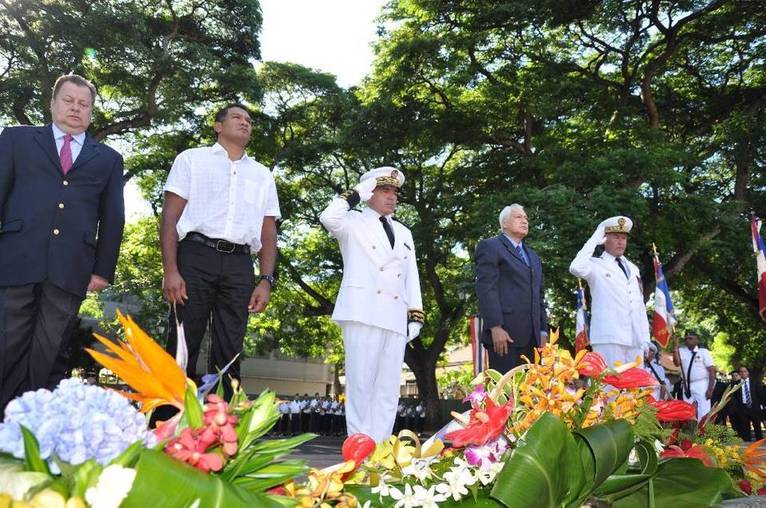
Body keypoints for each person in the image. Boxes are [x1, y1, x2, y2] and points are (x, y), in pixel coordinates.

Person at [0, 74, 125, 411]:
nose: (76, 108)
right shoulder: (15, 140)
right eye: (69, 100)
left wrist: (103, 270)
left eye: (84, 104)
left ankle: (34, 427)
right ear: (53, 103)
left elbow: (113, 217)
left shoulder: (108, 159)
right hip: (14, 260)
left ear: (91, 112)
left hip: (71, 268)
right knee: (7, 344)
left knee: (50, 349)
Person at [160, 103, 279, 396]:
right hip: (195, 256)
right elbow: (170, 218)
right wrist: (171, 270)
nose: (245, 123)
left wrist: (266, 279)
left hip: (240, 264)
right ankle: (166, 429)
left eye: (249, 120)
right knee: (182, 344)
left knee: (230, 350)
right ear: (217, 125)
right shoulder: (191, 159)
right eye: (237, 117)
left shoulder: (262, 174)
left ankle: (221, 430)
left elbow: (268, 231)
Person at [319, 167, 424, 443]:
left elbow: (411, 274)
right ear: (369, 193)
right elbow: (327, 216)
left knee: (388, 390)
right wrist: (357, 193)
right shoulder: (352, 222)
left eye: (395, 192)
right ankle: (359, 449)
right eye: (384, 191)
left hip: (394, 314)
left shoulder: (403, 231)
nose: (392, 197)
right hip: (362, 312)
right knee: (361, 386)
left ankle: (380, 452)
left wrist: (415, 314)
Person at [474, 204, 548, 373]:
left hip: (534, 340)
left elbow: (539, 296)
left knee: (530, 396)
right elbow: (486, 288)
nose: (524, 221)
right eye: (518, 217)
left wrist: (543, 331)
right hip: (505, 337)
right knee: (506, 395)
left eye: (526, 218)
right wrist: (495, 327)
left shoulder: (534, 257)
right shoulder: (491, 247)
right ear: (504, 223)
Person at [569, 216, 650, 368]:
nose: (621, 242)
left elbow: (639, 306)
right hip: (609, 337)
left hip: (635, 339)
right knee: (609, 389)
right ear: (604, 239)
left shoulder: (633, 268)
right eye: (616, 237)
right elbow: (575, 267)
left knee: (635, 390)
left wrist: (645, 338)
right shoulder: (595, 264)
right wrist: (594, 239)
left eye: (624, 238)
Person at [672, 331, 716, 421]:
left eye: (691, 338)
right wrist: (675, 347)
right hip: (687, 385)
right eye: (686, 339)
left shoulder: (703, 352)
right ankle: (691, 432)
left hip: (701, 384)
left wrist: (710, 389)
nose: (688, 340)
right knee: (688, 410)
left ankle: (703, 432)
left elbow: (712, 371)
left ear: (697, 340)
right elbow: (676, 363)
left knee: (703, 410)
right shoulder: (681, 351)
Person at [732, 366, 764, 441]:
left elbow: (761, 395)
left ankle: (760, 443)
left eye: (745, 371)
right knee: (745, 428)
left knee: (757, 426)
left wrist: (762, 406)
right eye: (741, 371)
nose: (743, 373)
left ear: (748, 372)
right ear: (739, 373)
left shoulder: (755, 382)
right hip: (742, 408)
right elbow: (734, 397)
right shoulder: (735, 384)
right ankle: (747, 444)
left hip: (754, 407)